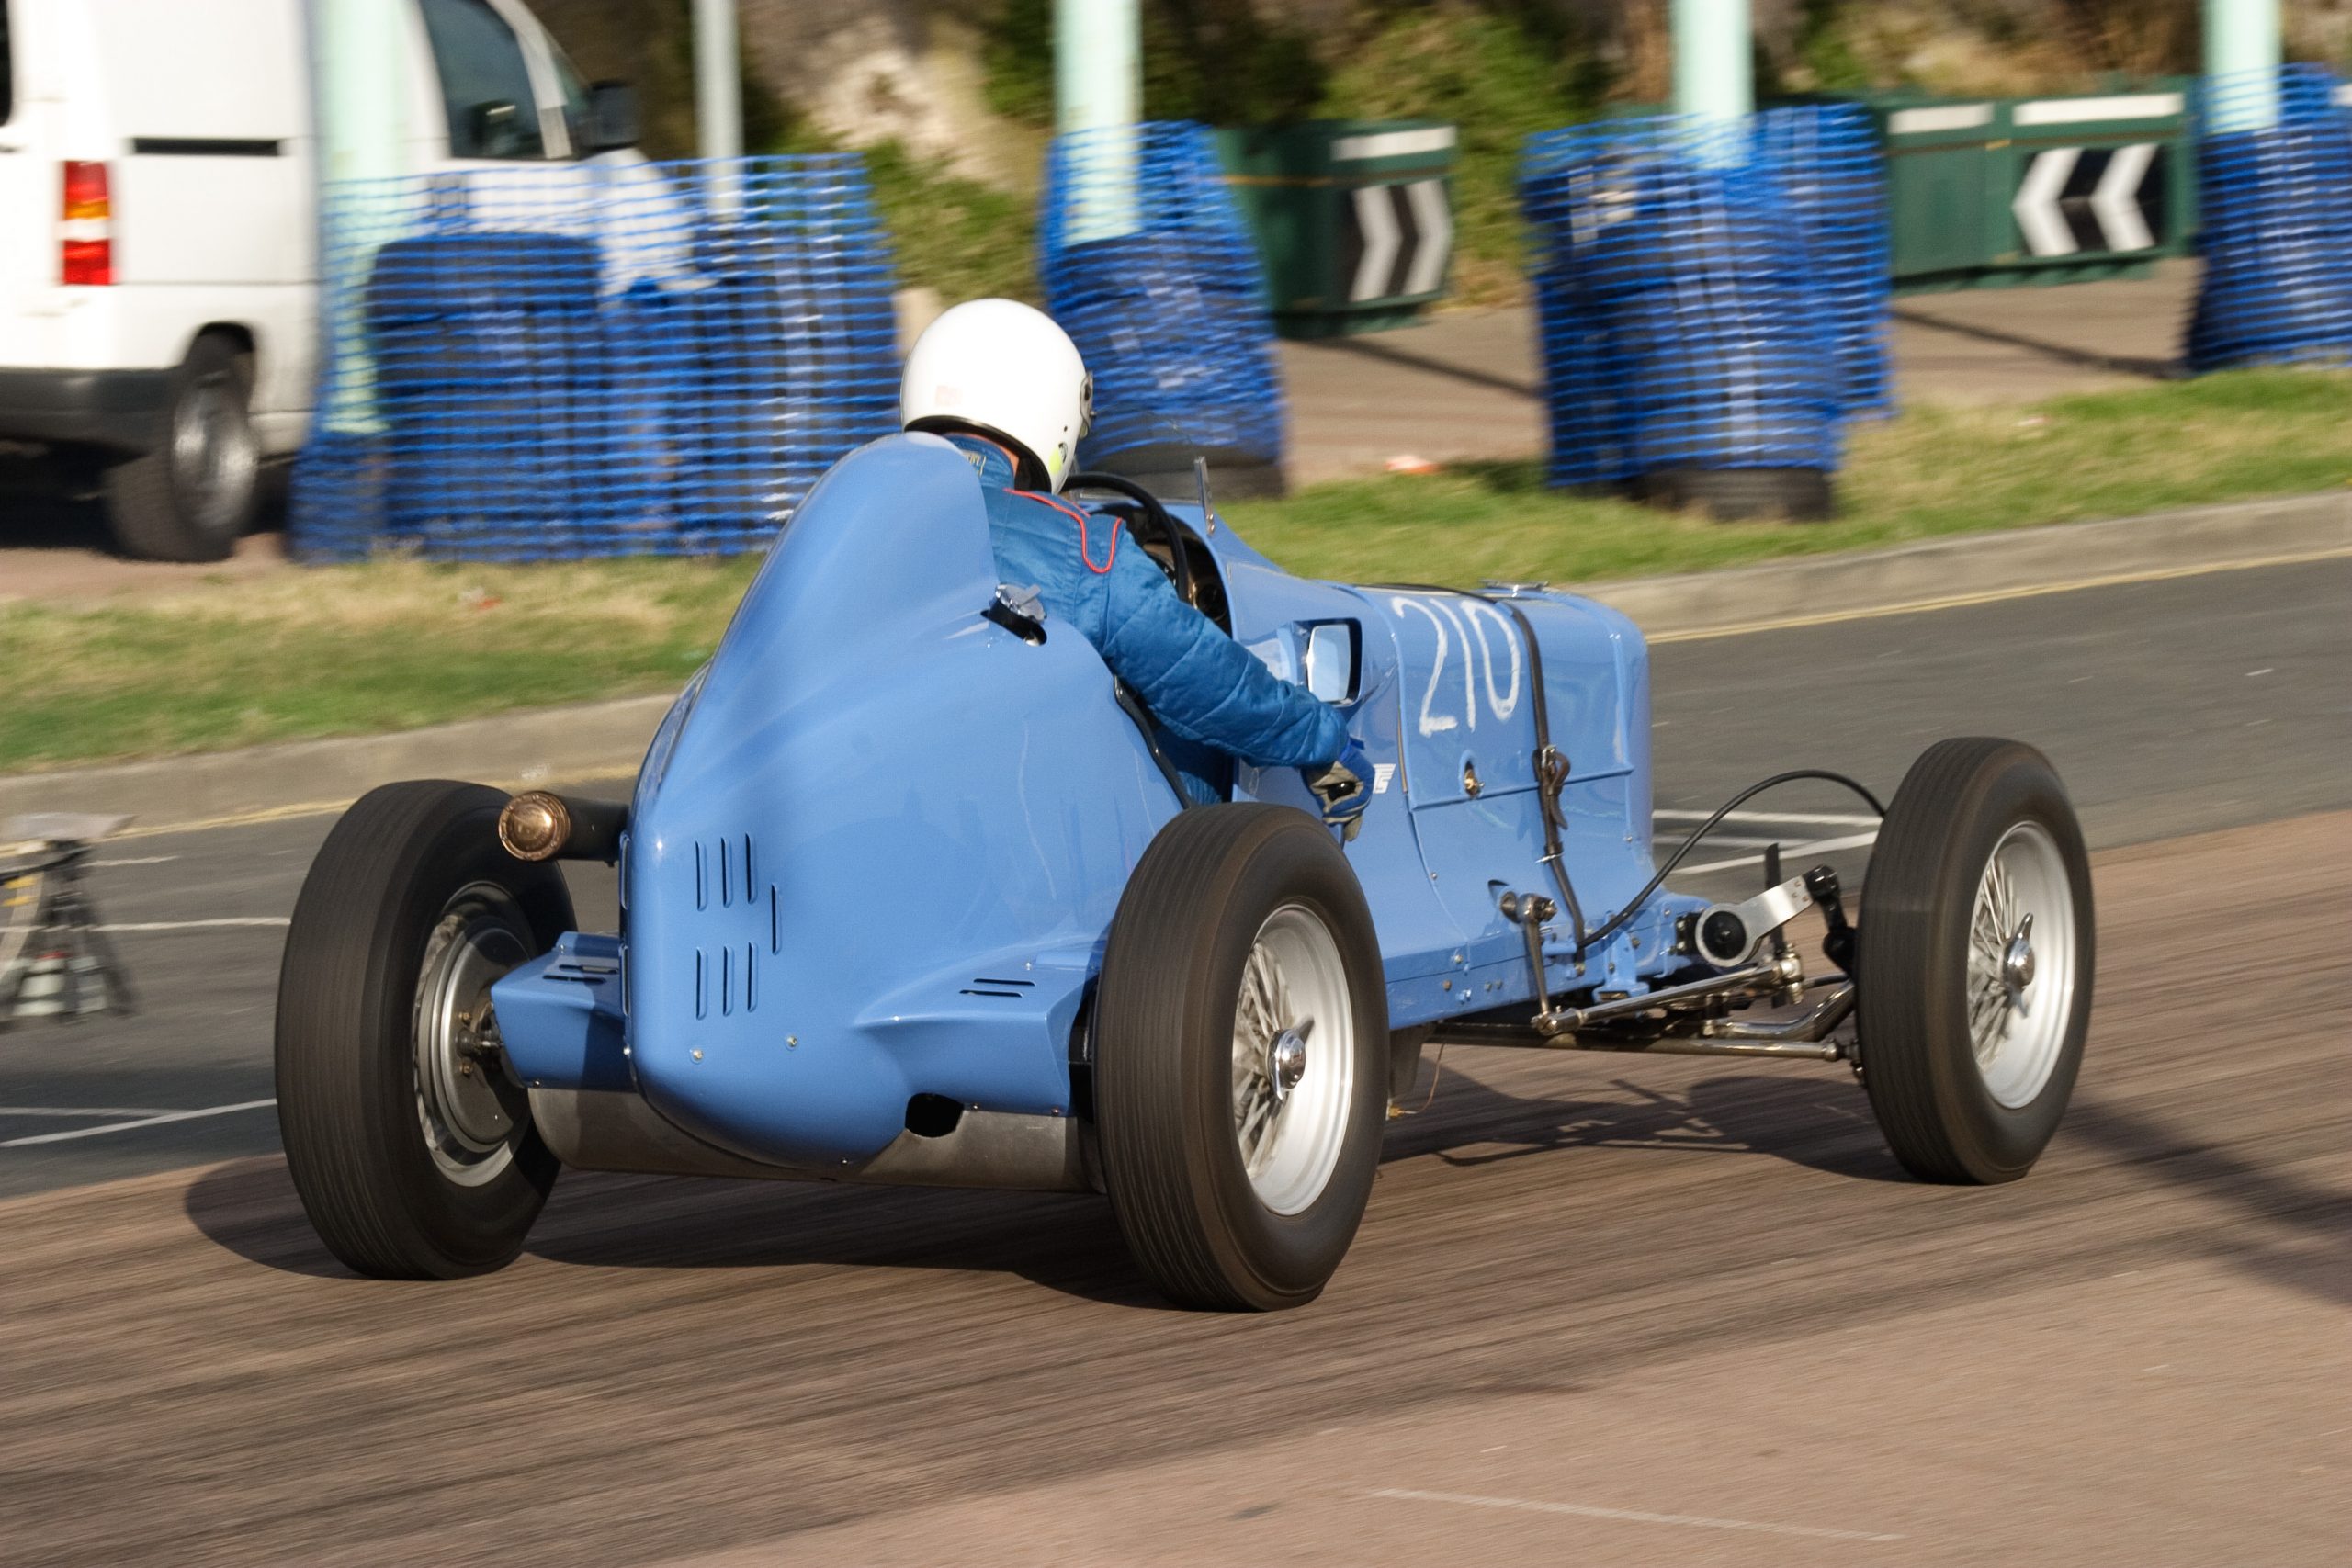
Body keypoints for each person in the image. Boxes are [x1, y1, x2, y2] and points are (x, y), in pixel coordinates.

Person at [901, 299, 1369, 833]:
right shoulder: (1083, 554)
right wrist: (1320, 738)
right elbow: (1207, 686)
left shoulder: (845, 526)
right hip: (1031, 827)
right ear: (1049, 413)